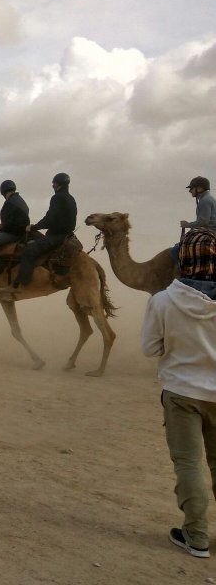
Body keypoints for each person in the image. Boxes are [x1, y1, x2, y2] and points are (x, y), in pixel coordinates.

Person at [140, 229, 216, 558]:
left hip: (181, 392)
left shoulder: (162, 301)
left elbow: (149, 348)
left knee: (188, 463)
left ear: (183, 258)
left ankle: (196, 535)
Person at [13, 172, 76, 288]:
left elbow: (49, 219)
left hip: (57, 237)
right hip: (67, 235)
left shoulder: (57, 198)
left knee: (28, 250)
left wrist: (33, 227)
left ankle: (22, 283)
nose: (53, 186)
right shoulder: (71, 198)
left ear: (57, 184)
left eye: (53, 184)